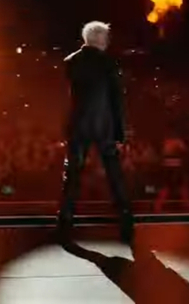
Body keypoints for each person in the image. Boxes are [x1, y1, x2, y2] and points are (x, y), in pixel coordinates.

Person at [58, 21, 135, 244]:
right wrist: (121, 132)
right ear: (100, 39)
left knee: (72, 173)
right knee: (114, 174)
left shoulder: (71, 62)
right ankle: (125, 217)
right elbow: (116, 100)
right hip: (104, 125)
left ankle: (65, 217)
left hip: (79, 124)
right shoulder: (109, 63)